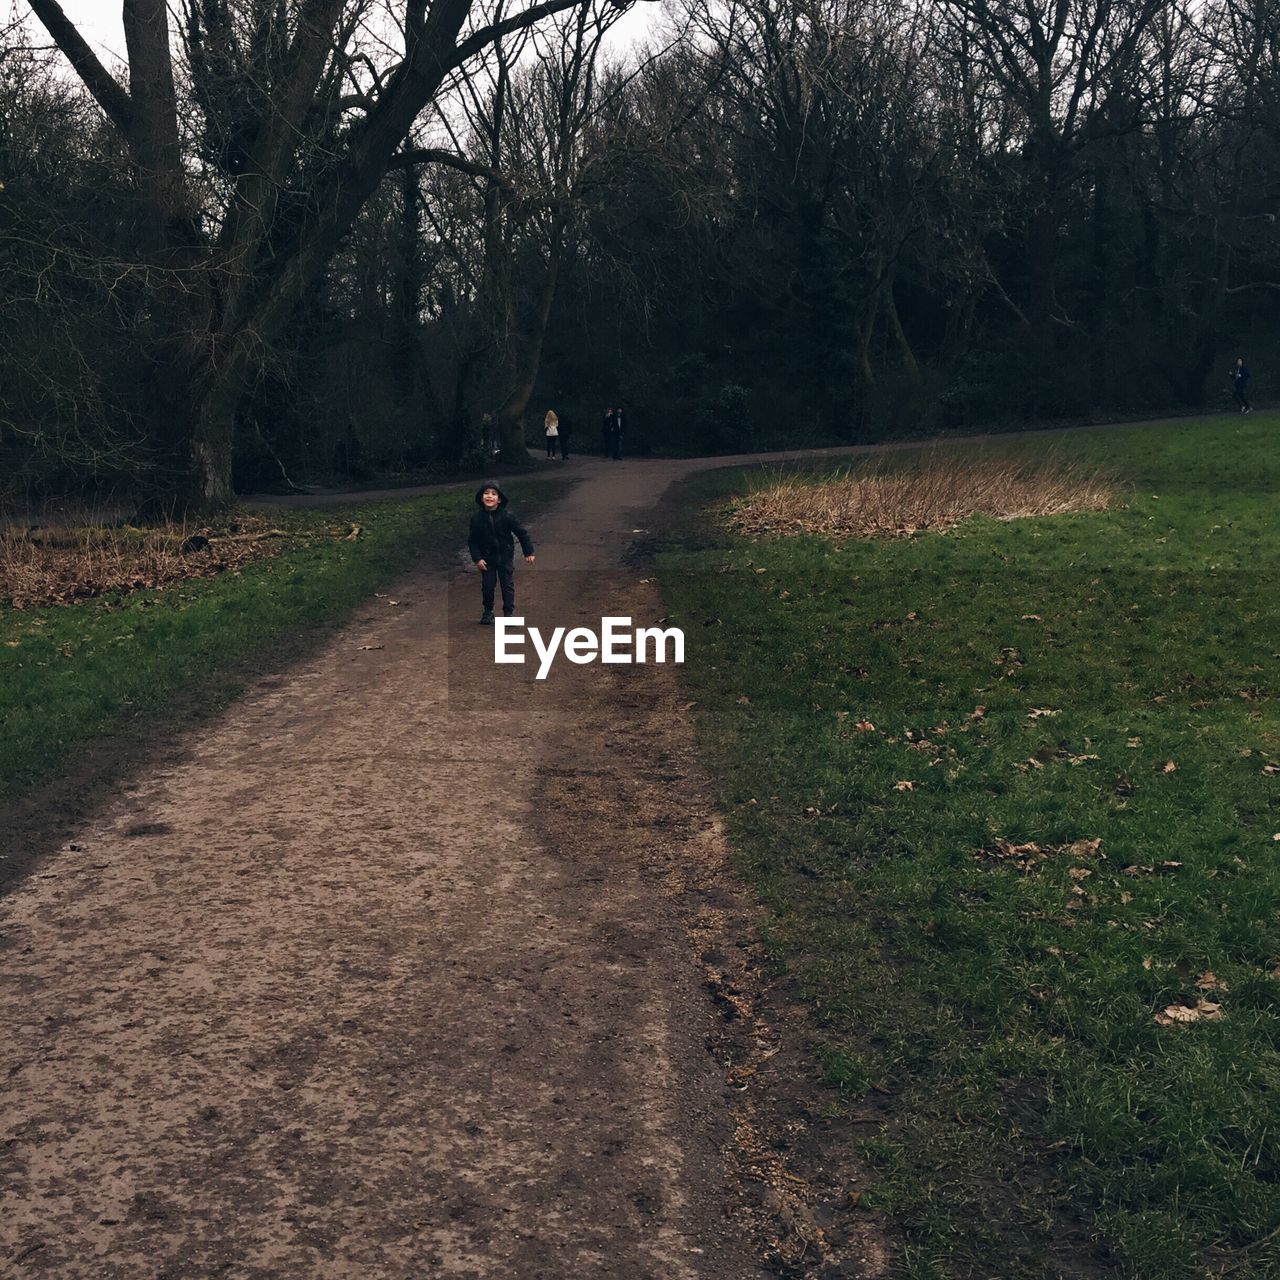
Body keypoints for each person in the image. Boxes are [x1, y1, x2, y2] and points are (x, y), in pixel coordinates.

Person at [468, 482, 535, 625]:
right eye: (486, 493)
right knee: (487, 585)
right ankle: (488, 611)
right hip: (487, 559)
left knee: (507, 585)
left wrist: (528, 552)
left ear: (499, 499)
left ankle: (508, 613)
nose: (489, 496)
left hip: (505, 557)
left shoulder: (507, 516)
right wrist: (477, 558)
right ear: (481, 497)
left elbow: (521, 533)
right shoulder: (477, 519)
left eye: (493, 493)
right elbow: (473, 541)